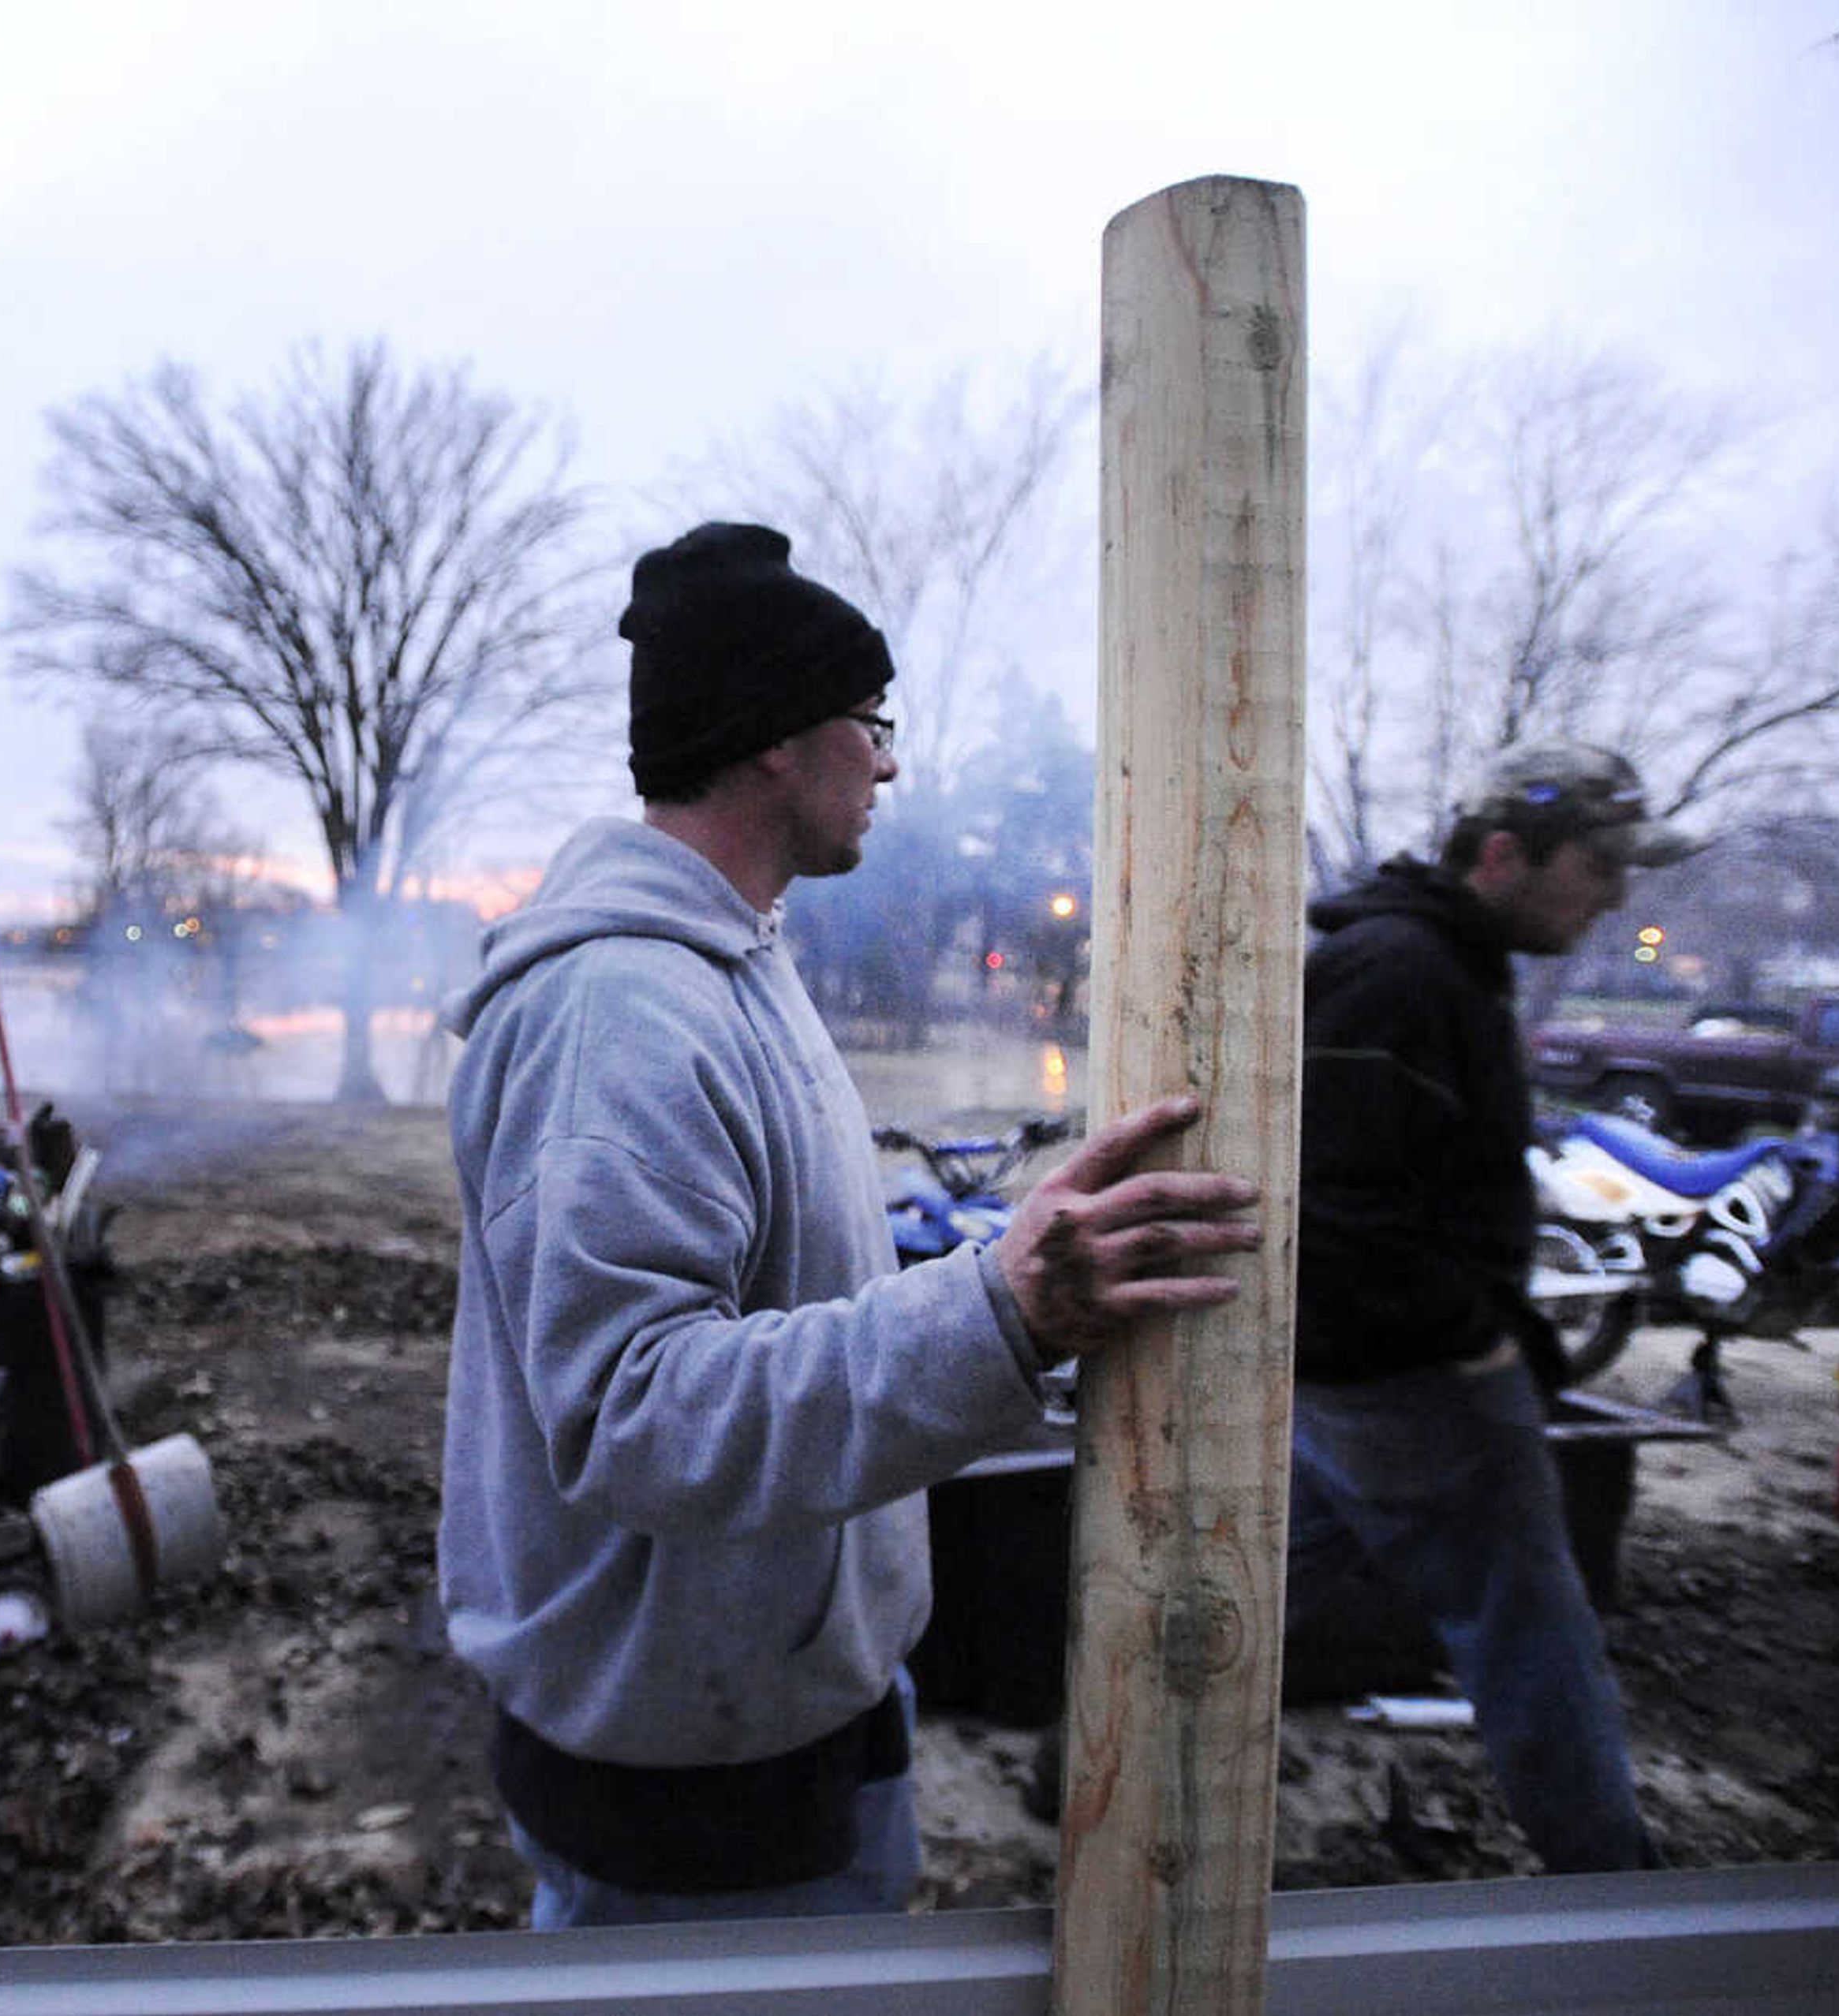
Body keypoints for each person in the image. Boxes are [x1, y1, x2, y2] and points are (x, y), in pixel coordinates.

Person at [437, 521, 1264, 1928]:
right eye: (869, 723)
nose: (888, 761)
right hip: (685, 1782)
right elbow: (634, 1410)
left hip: (776, 1697)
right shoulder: (624, 1012)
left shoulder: (737, 967)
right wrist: (998, 1311)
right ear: (775, 741)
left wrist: (995, 1254)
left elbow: (783, 1287)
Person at [1289, 741, 1699, 1874]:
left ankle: (1082, 1749)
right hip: (1414, 1386)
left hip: (1360, 1376)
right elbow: (1336, 1208)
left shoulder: (1442, 962)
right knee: (1535, 1634)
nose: (1617, 894)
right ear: (1506, 854)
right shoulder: (1399, 973)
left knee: (1250, 1588)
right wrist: (1474, 1343)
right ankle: (1615, 1889)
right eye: (1602, 864)